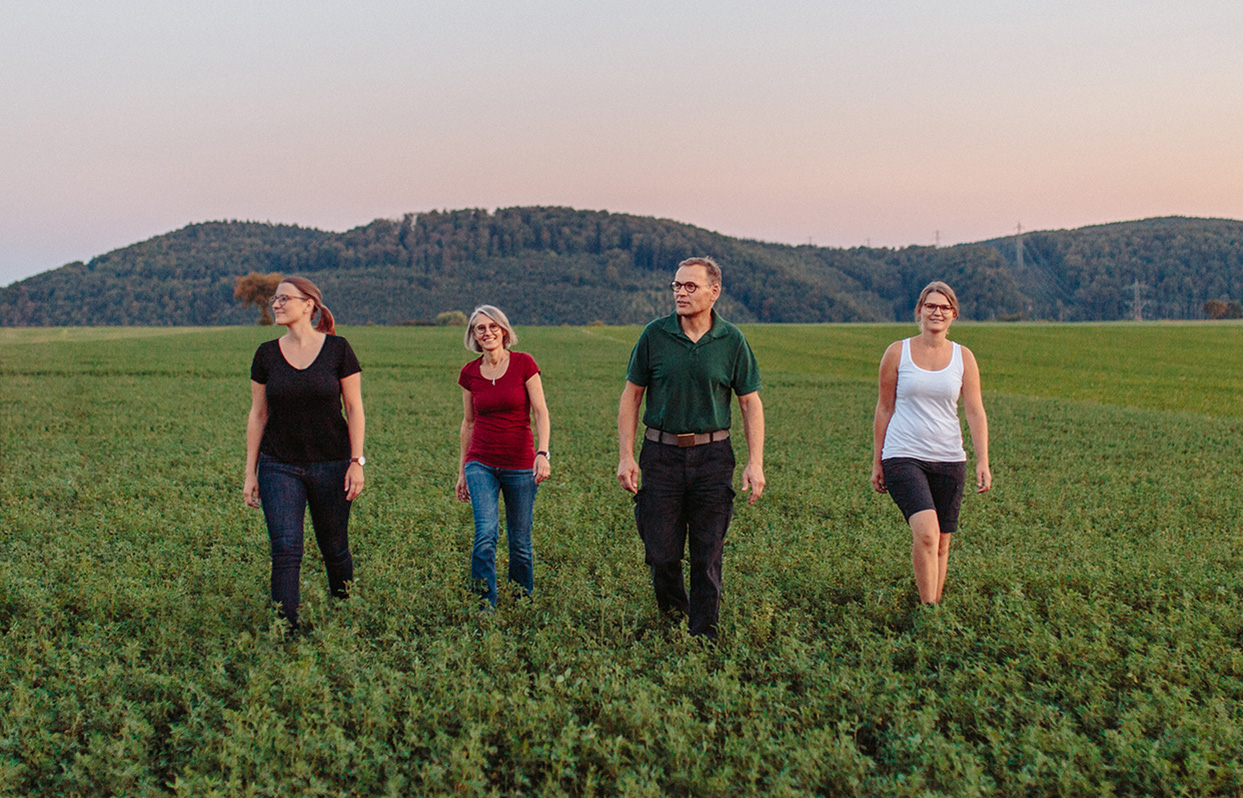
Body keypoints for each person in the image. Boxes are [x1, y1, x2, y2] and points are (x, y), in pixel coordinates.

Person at [617, 256, 765, 640]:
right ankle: (674, 616)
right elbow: (632, 396)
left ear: (714, 292)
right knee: (662, 553)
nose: (680, 293)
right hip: (661, 455)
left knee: (707, 553)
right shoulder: (654, 334)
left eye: (690, 287)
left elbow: (750, 402)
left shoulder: (731, 340)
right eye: (676, 286)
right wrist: (626, 455)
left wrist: (756, 463)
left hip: (713, 457)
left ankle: (704, 637)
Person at [243, 277, 366, 631]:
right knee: (285, 549)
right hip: (279, 464)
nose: (276, 304)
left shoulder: (339, 349)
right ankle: (285, 631)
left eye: (284, 298)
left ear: (308, 304)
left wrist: (356, 462)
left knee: (334, 547)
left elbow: (354, 408)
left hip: (332, 463)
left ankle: (344, 614)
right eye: (274, 298)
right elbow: (258, 414)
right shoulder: (266, 354)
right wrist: (251, 472)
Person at [872, 281, 991, 605]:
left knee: (941, 543)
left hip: (950, 458)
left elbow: (975, 411)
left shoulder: (964, 357)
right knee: (926, 533)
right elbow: (884, 407)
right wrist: (877, 461)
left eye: (943, 307)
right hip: (903, 455)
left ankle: (933, 611)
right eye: (930, 306)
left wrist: (983, 461)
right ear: (920, 311)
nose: (936, 312)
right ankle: (928, 610)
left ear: (953, 314)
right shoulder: (898, 352)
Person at [455, 305, 551, 606]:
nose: (487, 333)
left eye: (493, 327)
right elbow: (468, 422)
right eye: (480, 328)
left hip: (521, 464)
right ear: (473, 335)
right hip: (480, 461)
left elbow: (540, 412)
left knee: (520, 542)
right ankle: (485, 604)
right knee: (485, 533)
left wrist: (543, 453)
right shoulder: (469, 373)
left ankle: (522, 599)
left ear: (504, 331)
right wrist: (461, 472)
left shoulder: (524, 364)